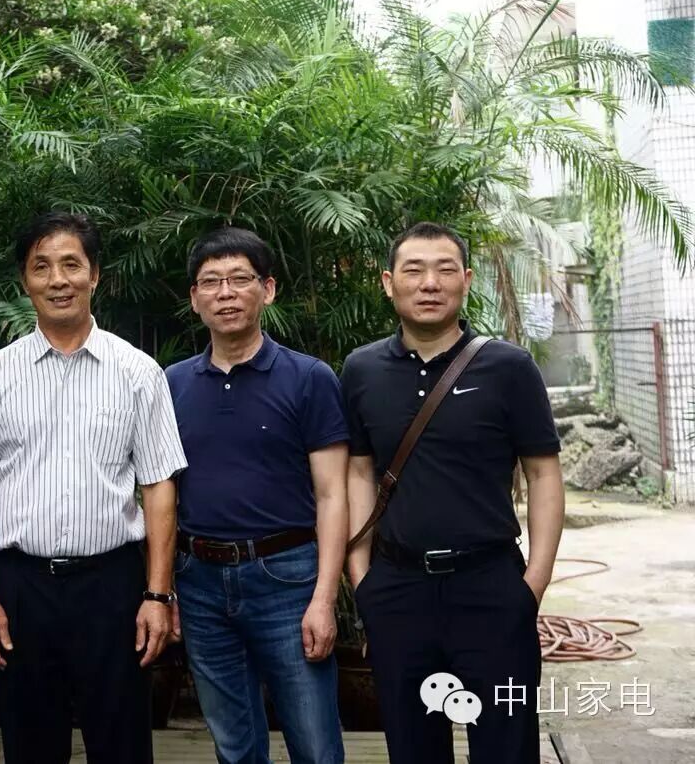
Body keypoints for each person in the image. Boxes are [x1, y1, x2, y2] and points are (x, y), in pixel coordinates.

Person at [0, 212, 188, 764]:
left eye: (71, 264)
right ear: (25, 280)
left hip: (113, 586)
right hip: (21, 588)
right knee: (30, 741)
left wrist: (157, 595)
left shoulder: (138, 372)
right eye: (42, 267)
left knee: (122, 742)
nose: (58, 280)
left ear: (95, 274)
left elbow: (158, 488)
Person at [341, 221, 565, 764]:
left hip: (490, 585)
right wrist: (362, 579)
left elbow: (543, 474)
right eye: (414, 270)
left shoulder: (510, 367)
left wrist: (531, 586)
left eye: (444, 270)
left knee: (507, 747)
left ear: (466, 280)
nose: (429, 283)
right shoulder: (361, 369)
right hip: (397, 588)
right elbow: (358, 474)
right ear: (388, 283)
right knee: (413, 748)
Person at [165, 227, 348, 764]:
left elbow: (332, 495)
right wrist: (164, 591)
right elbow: (162, 494)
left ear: (267, 290)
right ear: (194, 298)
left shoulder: (309, 378)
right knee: (234, 744)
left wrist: (324, 598)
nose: (225, 293)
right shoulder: (170, 384)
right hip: (198, 580)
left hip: (287, 578)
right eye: (211, 282)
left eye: (239, 279)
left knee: (314, 742)